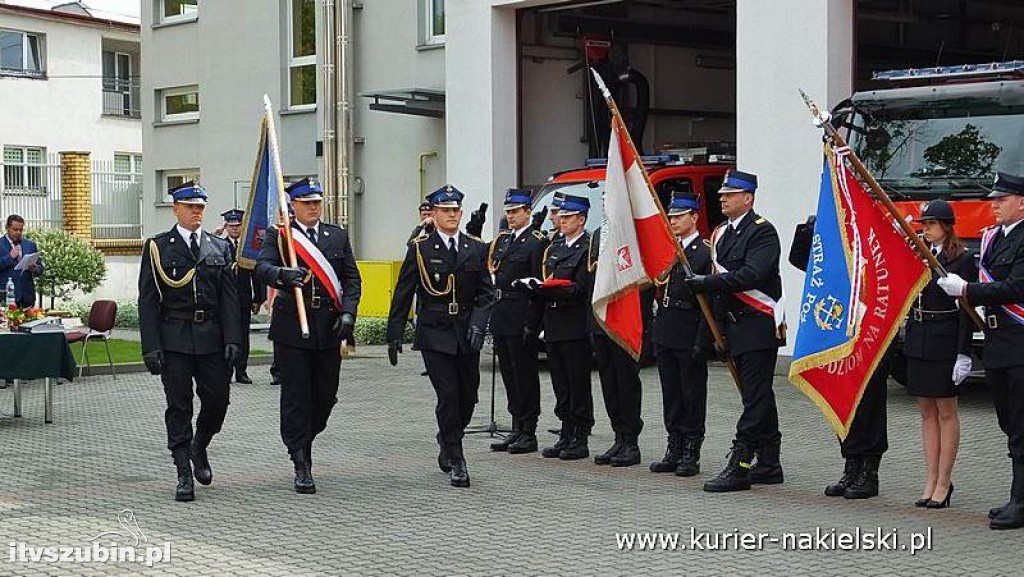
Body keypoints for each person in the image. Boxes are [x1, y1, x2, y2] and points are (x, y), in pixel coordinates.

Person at [254, 178, 362, 494]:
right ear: (295, 205)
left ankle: (304, 439)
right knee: (296, 396)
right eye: (306, 203)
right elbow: (261, 268)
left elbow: (352, 279)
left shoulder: (336, 236)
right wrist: (281, 275)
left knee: (325, 396)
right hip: (292, 327)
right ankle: (301, 459)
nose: (313, 207)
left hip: (328, 325)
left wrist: (348, 314)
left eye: (317, 201)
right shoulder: (281, 236)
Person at [138, 182, 241, 502]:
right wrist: (151, 346)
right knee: (179, 404)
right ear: (176, 209)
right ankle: (183, 470)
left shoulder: (218, 247)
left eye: (201, 207)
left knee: (218, 400)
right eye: (191, 207)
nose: (197, 212)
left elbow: (229, 299)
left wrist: (234, 339)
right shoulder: (158, 247)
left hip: (211, 336)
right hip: (175, 338)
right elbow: (147, 300)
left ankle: (200, 446)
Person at [386, 185, 494, 488]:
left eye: (456, 211)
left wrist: (479, 322)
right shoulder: (420, 248)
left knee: (468, 397)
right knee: (447, 395)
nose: (452, 215)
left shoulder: (475, 246)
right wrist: (395, 333)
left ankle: (448, 436)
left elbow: (487, 292)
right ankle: (457, 458)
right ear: (433, 214)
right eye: (445, 210)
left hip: (465, 333)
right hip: (435, 332)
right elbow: (404, 291)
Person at [686, 170, 785, 493]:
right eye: (722, 196)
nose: (723, 199)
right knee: (756, 395)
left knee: (754, 396)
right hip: (734, 324)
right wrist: (715, 332)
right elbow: (720, 290)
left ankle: (741, 463)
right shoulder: (721, 234)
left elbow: (752, 274)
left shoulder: (763, 232)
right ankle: (770, 463)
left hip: (758, 323)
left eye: (730, 194)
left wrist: (708, 282)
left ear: (748, 198)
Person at [938, 171, 1024, 529]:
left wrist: (967, 290)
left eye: (1001, 200)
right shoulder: (995, 238)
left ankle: (1020, 502)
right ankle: (1017, 495)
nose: (994, 205)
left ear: (1022, 202)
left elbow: (1015, 288)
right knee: (1009, 423)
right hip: (997, 344)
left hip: (1020, 344)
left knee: (1021, 426)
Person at [790, 215, 893, 500]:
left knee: (869, 405)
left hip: (871, 334)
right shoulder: (835, 241)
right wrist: (811, 228)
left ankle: (869, 472)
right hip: (840, 336)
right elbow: (802, 261)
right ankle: (851, 465)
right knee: (844, 401)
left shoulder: (876, 236)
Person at [903, 200, 976, 509]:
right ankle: (930, 478)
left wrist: (964, 352)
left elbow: (967, 311)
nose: (926, 229)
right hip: (920, 337)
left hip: (945, 338)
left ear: (946, 225)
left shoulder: (960, 259)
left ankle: (945, 481)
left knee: (946, 412)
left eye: (931, 224)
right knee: (926, 412)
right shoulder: (920, 254)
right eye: (923, 224)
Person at [650, 190, 712, 476]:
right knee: (671, 393)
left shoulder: (704, 251)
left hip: (689, 330)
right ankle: (673, 445)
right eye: (670, 217)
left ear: (694, 217)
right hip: (666, 327)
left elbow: (708, 303)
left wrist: (703, 340)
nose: (672, 221)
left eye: (678, 216)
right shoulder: (668, 251)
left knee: (691, 393)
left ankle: (691, 450)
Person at [487, 188, 549, 455]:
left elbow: (539, 286)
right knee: (510, 376)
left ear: (528, 212)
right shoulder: (503, 241)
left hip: (522, 314)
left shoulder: (536, 242)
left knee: (524, 375)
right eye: (508, 212)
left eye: (516, 211)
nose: (511, 216)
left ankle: (529, 430)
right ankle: (516, 425)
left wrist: (533, 323)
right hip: (502, 314)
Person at [534, 194, 595, 461]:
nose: (562, 220)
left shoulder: (587, 247)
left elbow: (581, 287)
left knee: (577, 382)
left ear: (581, 220)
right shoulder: (555, 246)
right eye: (561, 216)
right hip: (554, 323)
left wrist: (554, 289)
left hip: (574, 324)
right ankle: (565, 431)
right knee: (560, 382)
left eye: (568, 217)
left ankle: (579, 436)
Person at [589, 226, 644, 467]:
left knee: (626, 381)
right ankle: (618, 436)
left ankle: (631, 441)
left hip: (625, 318)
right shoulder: (599, 234)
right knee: (609, 383)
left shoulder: (632, 231)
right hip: (603, 318)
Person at [221, 209, 267, 384]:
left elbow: (257, 274)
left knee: (242, 337)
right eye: (231, 226)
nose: (234, 229)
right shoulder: (219, 245)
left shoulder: (248, 249)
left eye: (238, 225)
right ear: (225, 226)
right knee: (225, 336)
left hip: (242, 298)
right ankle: (226, 371)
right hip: (224, 301)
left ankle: (241, 371)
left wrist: (258, 298)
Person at [0, 214, 44, 308]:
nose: (18, 232)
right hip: (7, 296)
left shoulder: (30, 245)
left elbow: (41, 268)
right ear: (7, 228)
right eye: (15, 229)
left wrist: (35, 268)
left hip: (27, 296)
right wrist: (9, 257)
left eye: (21, 229)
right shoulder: (0, 244)